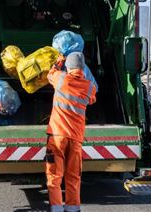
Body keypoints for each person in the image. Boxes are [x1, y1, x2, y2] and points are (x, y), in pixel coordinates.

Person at [46, 52, 97, 212]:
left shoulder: (61, 78)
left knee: (55, 176)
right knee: (73, 176)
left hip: (58, 136)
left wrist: (58, 62)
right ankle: (73, 209)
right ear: (83, 68)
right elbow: (92, 99)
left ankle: (56, 208)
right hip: (75, 138)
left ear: (68, 66)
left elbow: (50, 74)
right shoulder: (90, 87)